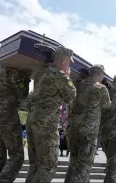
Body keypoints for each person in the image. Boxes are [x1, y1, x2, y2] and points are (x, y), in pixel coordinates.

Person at [25, 46, 77, 183]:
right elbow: (71, 96)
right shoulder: (60, 75)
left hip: (32, 120)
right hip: (46, 124)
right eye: (69, 61)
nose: (69, 64)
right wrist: (67, 75)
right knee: (49, 166)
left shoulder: (41, 72)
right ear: (63, 60)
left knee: (35, 166)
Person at [64, 64, 111, 183]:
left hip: (73, 131)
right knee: (83, 170)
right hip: (88, 134)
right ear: (100, 74)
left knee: (73, 165)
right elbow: (107, 106)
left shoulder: (78, 85)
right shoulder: (100, 88)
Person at [0, 67, 31, 183]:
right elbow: (23, 94)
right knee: (17, 156)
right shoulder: (14, 71)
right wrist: (27, 79)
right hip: (7, 120)